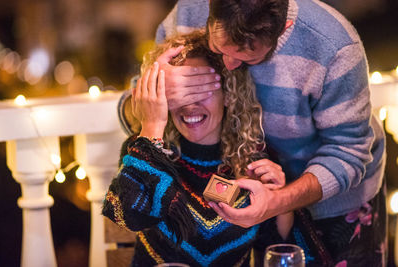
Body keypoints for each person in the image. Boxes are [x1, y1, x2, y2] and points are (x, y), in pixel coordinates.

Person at [118, 0, 387, 265]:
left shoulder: (335, 46)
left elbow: (349, 151)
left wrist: (280, 201)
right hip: (253, 180)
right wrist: (158, 92)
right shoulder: (189, 12)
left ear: (283, 28)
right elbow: (134, 107)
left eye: (248, 57)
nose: (229, 67)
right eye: (218, 48)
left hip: (337, 204)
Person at [103, 30, 290, 266]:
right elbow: (125, 215)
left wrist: (280, 200)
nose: (190, 104)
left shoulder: (255, 160)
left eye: (202, 89)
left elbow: (274, 246)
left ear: (229, 93)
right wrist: (151, 125)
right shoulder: (146, 152)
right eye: (181, 92)